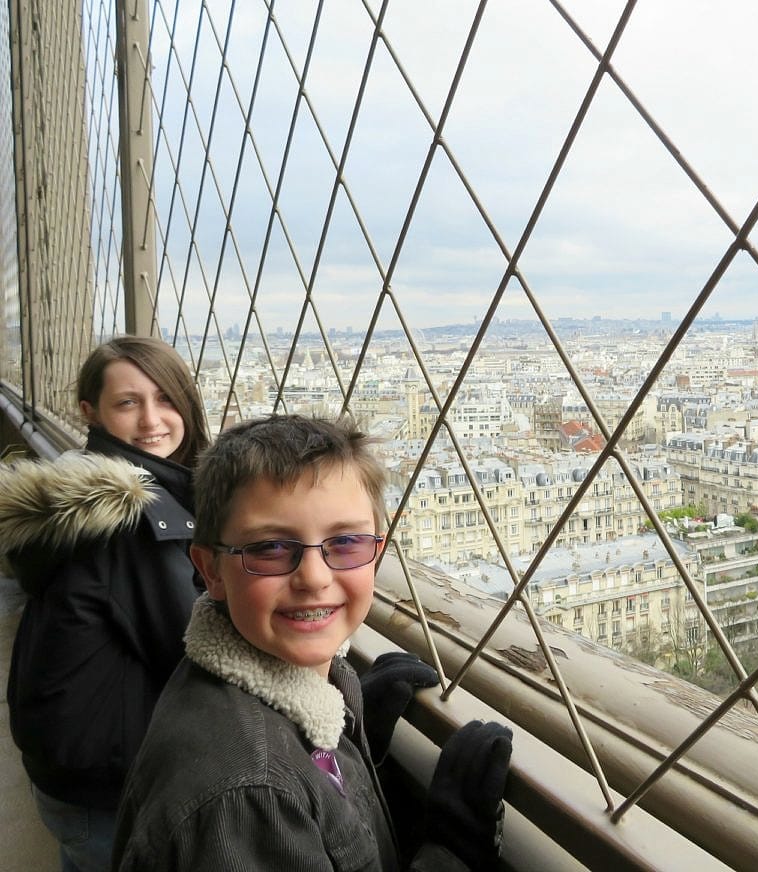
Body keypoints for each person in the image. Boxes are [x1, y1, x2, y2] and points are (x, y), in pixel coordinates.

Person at [112, 415, 512, 871]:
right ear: (211, 571)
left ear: (375, 556)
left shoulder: (261, 700)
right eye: (270, 548)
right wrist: (453, 852)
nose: (314, 578)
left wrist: (354, 737)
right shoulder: (248, 796)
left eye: (344, 542)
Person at [1, 335, 210, 872]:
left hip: (71, 770)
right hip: (109, 787)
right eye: (128, 402)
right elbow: (196, 649)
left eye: (166, 398)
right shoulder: (133, 520)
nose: (152, 420)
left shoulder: (80, 490)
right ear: (89, 411)